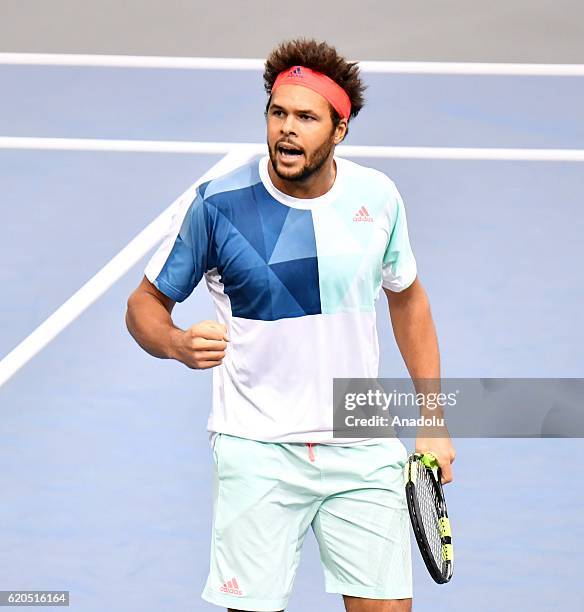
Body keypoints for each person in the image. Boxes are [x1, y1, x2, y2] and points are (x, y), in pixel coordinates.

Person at [126, 37, 455, 612]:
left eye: (306, 117)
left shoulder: (378, 198)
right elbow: (144, 306)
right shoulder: (217, 204)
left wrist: (434, 420)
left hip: (360, 440)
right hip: (257, 448)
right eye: (278, 113)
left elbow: (408, 300)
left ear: (339, 129)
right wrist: (176, 343)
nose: (287, 129)